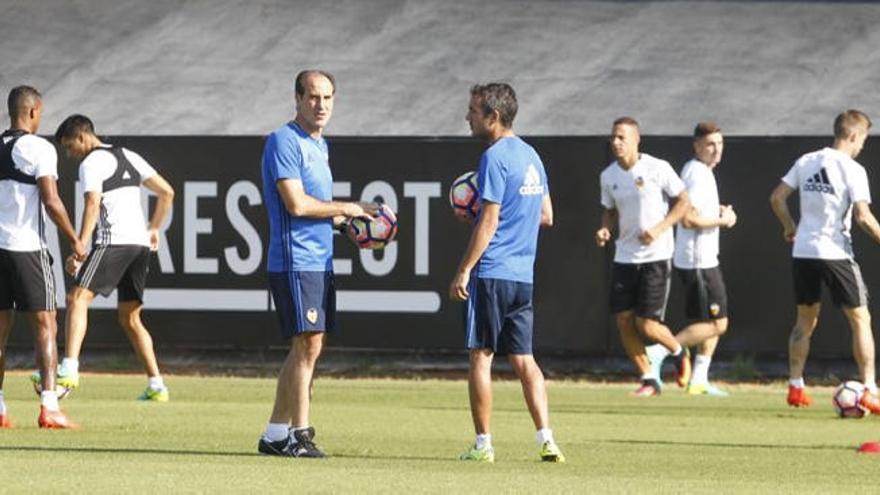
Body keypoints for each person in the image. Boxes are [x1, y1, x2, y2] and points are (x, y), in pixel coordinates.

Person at [258, 70, 377, 458]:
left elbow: (317, 208)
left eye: (327, 98)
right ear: (296, 98)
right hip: (296, 259)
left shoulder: (318, 144)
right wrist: (348, 206)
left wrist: (347, 226)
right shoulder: (284, 141)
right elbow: (296, 204)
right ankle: (299, 436)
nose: (320, 105)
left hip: (319, 258)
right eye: (312, 97)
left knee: (306, 348)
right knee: (307, 346)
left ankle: (275, 435)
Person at [449, 82, 564, 463]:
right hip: (522, 276)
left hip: (494, 271)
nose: (468, 116)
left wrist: (464, 269)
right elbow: (546, 216)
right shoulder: (532, 156)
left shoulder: (494, 156)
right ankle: (546, 438)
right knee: (525, 360)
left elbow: (490, 221)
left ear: (493, 117)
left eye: (473, 110)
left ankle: (483, 445)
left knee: (480, 356)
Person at [47, 114, 175, 403]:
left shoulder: (91, 163)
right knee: (130, 318)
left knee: (77, 299)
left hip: (114, 241)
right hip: (139, 246)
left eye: (69, 147)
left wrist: (80, 244)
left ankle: (69, 369)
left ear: (82, 138)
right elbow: (167, 192)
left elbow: (92, 204)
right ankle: (157, 385)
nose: (69, 155)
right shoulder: (129, 155)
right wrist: (154, 227)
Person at [770, 109, 880, 412]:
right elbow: (863, 218)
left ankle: (795, 386)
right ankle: (870, 388)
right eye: (863, 140)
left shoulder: (807, 161)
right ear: (854, 135)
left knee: (805, 321)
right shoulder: (853, 169)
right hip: (835, 254)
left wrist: (789, 227)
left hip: (803, 252)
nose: (862, 147)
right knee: (861, 319)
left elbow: (777, 198)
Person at [0, 85, 85, 428]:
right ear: (34, 112)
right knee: (46, 324)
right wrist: (75, 240)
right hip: (27, 248)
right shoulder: (39, 148)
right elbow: (51, 201)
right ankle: (49, 406)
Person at [595, 117, 692, 397]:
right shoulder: (608, 176)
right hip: (624, 257)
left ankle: (677, 350)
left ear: (637, 140)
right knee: (624, 321)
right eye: (613, 137)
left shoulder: (657, 168)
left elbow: (683, 201)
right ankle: (649, 378)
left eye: (622, 137)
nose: (616, 142)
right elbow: (610, 210)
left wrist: (660, 228)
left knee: (646, 324)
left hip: (656, 256)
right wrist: (605, 228)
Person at [646, 122, 737, 396]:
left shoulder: (704, 172)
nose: (716, 149)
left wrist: (717, 212)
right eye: (710, 144)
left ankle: (699, 378)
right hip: (698, 262)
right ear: (697, 146)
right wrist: (723, 221)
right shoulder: (696, 173)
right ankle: (662, 350)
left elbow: (698, 211)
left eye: (720, 144)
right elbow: (687, 219)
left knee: (710, 325)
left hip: (706, 258)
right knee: (718, 324)